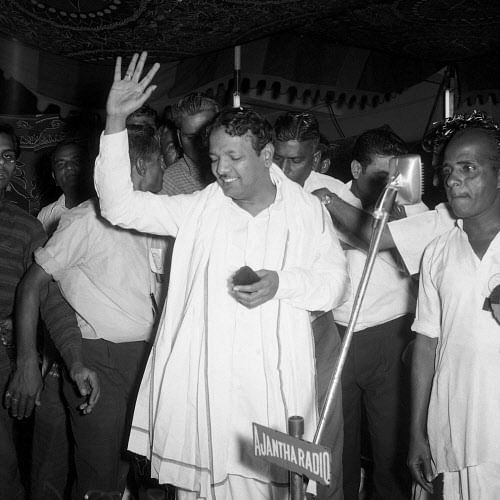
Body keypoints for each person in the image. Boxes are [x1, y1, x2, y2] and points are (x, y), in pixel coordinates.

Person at [94, 52, 350, 500]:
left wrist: (282, 284)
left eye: (234, 157)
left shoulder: (307, 213)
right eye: (214, 158)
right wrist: (115, 121)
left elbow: (335, 285)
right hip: (206, 391)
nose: (221, 169)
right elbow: (119, 206)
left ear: (267, 155)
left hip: (276, 395)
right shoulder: (199, 211)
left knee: (279, 490)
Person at [13, 126, 165, 500]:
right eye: (161, 162)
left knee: (142, 469)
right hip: (100, 358)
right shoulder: (85, 219)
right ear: (143, 165)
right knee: (98, 477)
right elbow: (32, 285)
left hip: (149, 358)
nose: (166, 169)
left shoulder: (158, 218)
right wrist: (26, 360)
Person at [327, 128, 425, 500]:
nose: (391, 184)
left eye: (395, 174)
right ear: (355, 168)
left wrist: (398, 204)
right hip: (337, 334)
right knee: (341, 445)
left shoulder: (411, 205)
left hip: (391, 333)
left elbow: (376, 235)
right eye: (380, 176)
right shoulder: (328, 196)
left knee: (390, 448)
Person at [0, 123, 97, 500]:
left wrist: (73, 360)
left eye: (7, 157)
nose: (2, 165)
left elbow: (50, 299)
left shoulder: (26, 228)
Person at [408, 113, 500, 499]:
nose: (453, 179)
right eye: (447, 171)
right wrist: (415, 431)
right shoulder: (438, 251)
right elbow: (426, 343)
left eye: (468, 168)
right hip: (456, 423)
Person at [273, 110, 349, 500]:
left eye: (297, 160)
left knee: (323, 435)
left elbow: (373, 237)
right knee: (275, 435)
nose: (285, 170)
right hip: (268, 330)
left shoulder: (331, 192)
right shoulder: (254, 190)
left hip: (318, 329)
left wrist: (332, 207)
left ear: (316, 159)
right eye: (279, 158)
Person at [162, 92, 219, 195]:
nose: (201, 143)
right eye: (192, 138)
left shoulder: (239, 165)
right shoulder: (170, 183)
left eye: (206, 134)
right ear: (179, 138)